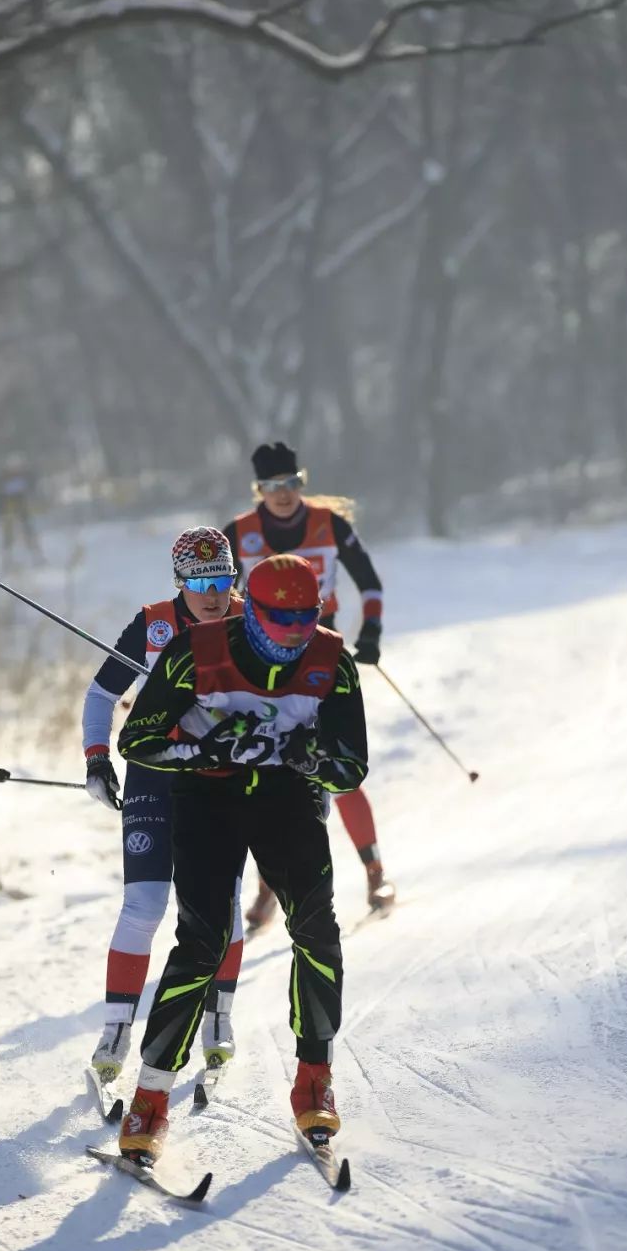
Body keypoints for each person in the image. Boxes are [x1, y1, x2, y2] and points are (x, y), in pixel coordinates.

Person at [111, 552, 369, 1160]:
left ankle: (315, 1080)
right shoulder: (195, 650)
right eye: (280, 619)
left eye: (305, 617)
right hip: (209, 798)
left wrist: (307, 757)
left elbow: (351, 766)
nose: (292, 633)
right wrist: (203, 750)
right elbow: (138, 740)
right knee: (202, 942)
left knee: (316, 930)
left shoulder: (332, 661)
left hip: (287, 801)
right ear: (249, 609)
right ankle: (151, 1098)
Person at [83, 526, 245, 1088]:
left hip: (221, 777)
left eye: (221, 579)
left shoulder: (250, 623)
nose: (212, 593)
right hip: (153, 771)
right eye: (199, 581)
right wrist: (98, 759)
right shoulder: (153, 624)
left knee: (221, 905)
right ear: (180, 583)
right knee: (145, 906)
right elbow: (102, 694)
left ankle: (218, 1021)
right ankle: (116, 1031)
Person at [223, 441, 394, 926]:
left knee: (337, 765)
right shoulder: (239, 534)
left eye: (291, 483)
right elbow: (218, 603)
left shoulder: (328, 523)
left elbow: (370, 582)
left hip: (324, 659)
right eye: (272, 487)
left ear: (302, 480)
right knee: (267, 774)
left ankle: (374, 871)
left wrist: (373, 632)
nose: (283, 494)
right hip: (261, 670)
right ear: (259, 489)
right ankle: (268, 889)